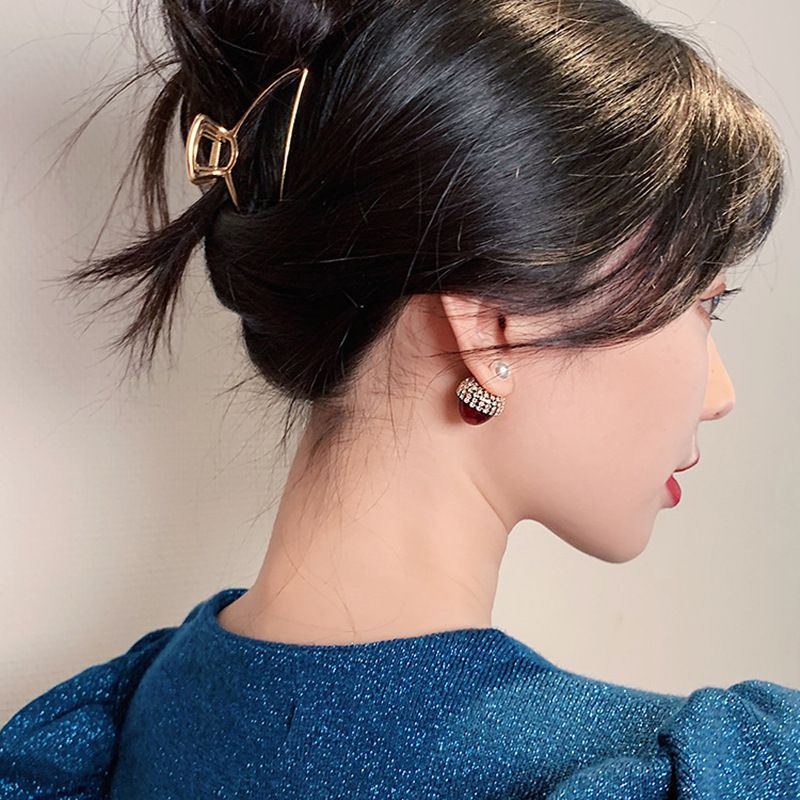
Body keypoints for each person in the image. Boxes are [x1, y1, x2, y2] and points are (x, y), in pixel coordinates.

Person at [1, 0, 798, 797]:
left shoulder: (87, 743)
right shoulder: (711, 775)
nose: (720, 394)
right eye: (703, 304)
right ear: (491, 327)